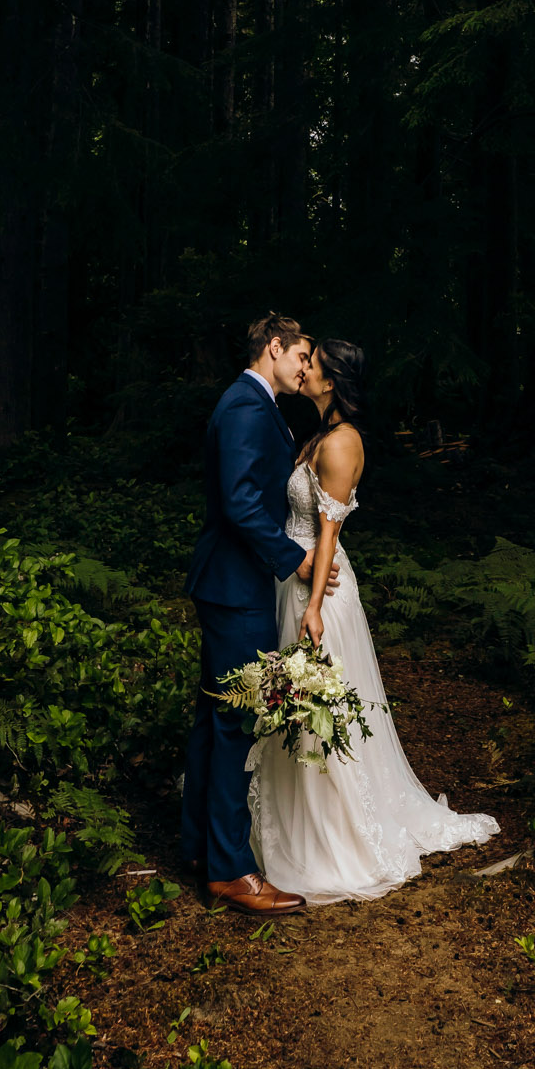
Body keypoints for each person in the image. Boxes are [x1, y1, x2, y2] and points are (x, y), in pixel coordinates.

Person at [250, 335, 499, 903]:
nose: (303, 367)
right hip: (291, 578)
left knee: (320, 709)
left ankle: (333, 834)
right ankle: (289, 820)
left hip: (319, 588)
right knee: (296, 707)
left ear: (331, 380)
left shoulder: (341, 443)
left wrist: (312, 606)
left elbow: (329, 532)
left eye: (311, 363)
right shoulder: (315, 434)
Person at [180, 312, 337, 915]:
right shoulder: (247, 406)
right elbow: (241, 501)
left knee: (211, 717)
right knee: (233, 722)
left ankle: (199, 848)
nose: (306, 368)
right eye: (302, 356)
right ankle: (229, 872)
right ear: (274, 347)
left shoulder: (251, 402)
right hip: (236, 585)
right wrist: (293, 560)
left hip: (227, 582)